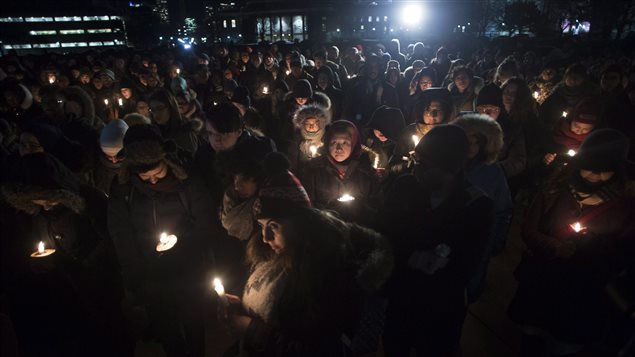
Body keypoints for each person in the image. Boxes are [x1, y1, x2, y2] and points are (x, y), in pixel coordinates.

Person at [219, 154, 392, 356]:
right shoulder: (271, 255)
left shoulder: (326, 273)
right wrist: (240, 308)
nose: (265, 237)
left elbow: (324, 350)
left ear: (301, 225)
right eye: (261, 226)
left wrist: (253, 331)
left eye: (274, 226)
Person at [508, 129, 635, 357]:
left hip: (584, 292)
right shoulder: (556, 186)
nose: (595, 174)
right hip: (542, 280)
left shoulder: (624, 205)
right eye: (590, 166)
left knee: (564, 344)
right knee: (532, 335)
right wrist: (554, 246)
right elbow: (529, 228)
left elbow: (625, 251)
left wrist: (591, 248)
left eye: (604, 169)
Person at [379, 124, 494, 357]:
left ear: (449, 166)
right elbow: (383, 233)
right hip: (401, 295)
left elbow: (470, 262)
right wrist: (410, 257)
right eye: (417, 160)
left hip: (442, 306)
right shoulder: (405, 186)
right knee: (395, 346)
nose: (417, 169)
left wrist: (439, 264)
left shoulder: (476, 205)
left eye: (425, 164)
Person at [1, 152, 130, 357]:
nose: (45, 205)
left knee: (112, 335)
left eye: (48, 199)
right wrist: (41, 262)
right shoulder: (38, 213)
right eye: (39, 201)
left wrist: (85, 264)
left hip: (101, 284)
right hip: (69, 291)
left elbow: (113, 239)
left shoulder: (91, 200)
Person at [107, 124, 216, 357]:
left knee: (193, 325)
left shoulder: (188, 181)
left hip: (189, 269)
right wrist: (134, 279)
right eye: (145, 176)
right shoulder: (124, 189)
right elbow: (121, 235)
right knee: (167, 330)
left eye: (157, 174)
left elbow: (206, 222)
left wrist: (183, 242)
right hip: (152, 275)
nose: (152, 181)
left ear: (167, 161)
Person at [452, 114, 513, 299]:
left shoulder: (492, 172)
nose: (470, 147)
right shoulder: (448, 164)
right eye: (466, 140)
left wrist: (496, 241)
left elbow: (503, 209)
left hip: (476, 239)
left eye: (476, 141)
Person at [301, 120, 378, 224]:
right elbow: (307, 206)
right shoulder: (314, 170)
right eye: (334, 142)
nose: (338, 149)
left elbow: (375, 205)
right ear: (327, 143)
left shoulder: (365, 171)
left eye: (345, 143)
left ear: (354, 143)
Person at [476, 83, 527, 180]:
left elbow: (518, 160)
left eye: (493, 109)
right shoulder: (468, 125)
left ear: (501, 110)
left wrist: (494, 171)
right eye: (482, 108)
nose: (487, 113)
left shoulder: (512, 129)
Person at [148, 88, 201, 155]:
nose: (156, 113)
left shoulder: (185, 130)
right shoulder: (154, 130)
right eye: (152, 109)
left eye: (160, 108)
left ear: (170, 107)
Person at [287, 104, 331, 174]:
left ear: (321, 123)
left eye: (315, 123)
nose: (311, 126)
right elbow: (292, 159)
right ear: (302, 124)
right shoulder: (297, 140)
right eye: (307, 123)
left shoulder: (327, 139)